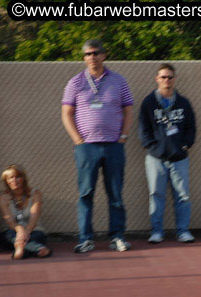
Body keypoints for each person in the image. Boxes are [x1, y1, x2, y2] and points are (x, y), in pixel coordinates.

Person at [61, 39, 133, 254]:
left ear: (104, 55)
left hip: (114, 146)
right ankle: (85, 239)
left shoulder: (119, 81)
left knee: (116, 194)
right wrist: (77, 140)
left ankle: (117, 237)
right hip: (86, 148)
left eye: (95, 53)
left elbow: (128, 109)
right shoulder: (75, 82)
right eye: (87, 54)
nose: (92, 57)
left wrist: (123, 137)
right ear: (84, 58)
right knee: (85, 194)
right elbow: (66, 113)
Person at [138, 63, 197, 244]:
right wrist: (153, 147)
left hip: (179, 157)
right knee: (156, 194)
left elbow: (191, 127)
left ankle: (183, 231)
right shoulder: (149, 102)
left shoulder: (183, 102)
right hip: (156, 158)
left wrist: (185, 145)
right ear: (157, 79)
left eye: (170, 77)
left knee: (182, 195)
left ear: (175, 79)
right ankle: (156, 231)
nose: (167, 80)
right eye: (163, 77)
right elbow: (143, 128)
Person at [0, 165, 51, 260]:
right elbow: (9, 221)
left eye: (18, 177)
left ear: (23, 178)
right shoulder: (3, 197)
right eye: (11, 177)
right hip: (13, 231)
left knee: (37, 236)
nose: (14, 180)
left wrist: (26, 233)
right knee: (7, 237)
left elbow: (34, 219)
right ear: (6, 181)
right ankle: (39, 249)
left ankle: (20, 249)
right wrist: (20, 230)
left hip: (34, 230)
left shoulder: (35, 194)